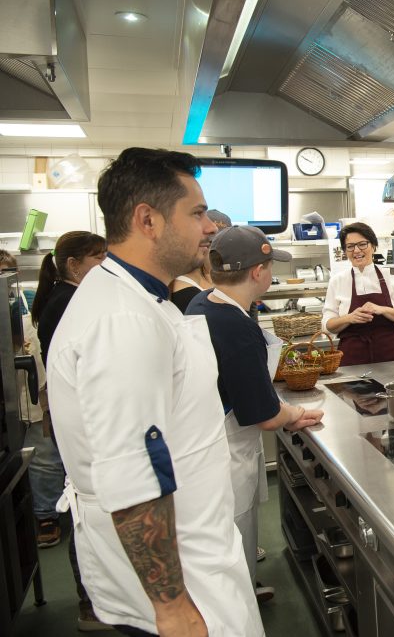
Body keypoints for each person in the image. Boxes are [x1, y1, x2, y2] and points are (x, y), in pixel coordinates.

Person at [46, 147, 263, 636]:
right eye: (197, 212)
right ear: (148, 219)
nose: (210, 227)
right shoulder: (122, 319)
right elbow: (131, 471)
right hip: (180, 585)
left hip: (195, 555)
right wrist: (172, 607)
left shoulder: (142, 297)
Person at [187, 226, 323, 602]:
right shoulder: (235, 325)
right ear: (257, 272)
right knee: (234, 545)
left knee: (223, 548)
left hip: (208, 449)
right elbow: (263, 415)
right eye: (268, 265)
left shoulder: (202, 304)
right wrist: (294, 412)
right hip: (226, 454)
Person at [26, 231, 110, 631]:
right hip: (79, 421)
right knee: (84, 509)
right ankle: (89, 603)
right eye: (99, 257)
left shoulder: (65, 297)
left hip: (75, 417)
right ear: (74, 264)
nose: (105, 263)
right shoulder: (67, 302)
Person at [322, 222, 394, 365]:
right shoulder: (337, 281)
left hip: (392, 355)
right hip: (353, 357)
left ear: (373, 246)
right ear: (345, 251)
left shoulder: (392, 275)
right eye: (350, 247)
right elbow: (327, 325)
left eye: (362, 244)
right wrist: (349, 318)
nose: (356, 250)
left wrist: (381, 309)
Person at [170, 209, 230, 313]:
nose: (219, 252)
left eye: (225, 245)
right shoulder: (187, 292)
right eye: (210, 243)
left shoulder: (214, 281)